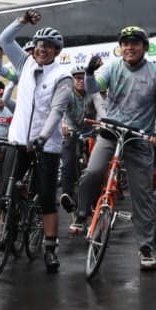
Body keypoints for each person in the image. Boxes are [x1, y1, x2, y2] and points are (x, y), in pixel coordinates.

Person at [74, 26, 156, 271]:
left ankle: (146, 247)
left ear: (144, 47)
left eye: (135, 43)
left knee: (142, 195)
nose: (129, 47)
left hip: (139, 137)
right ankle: (81, 214)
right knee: (93, 171)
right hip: (111, 130)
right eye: (125, 43)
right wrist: (89, 73)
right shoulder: (113, 68)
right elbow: (94, 88)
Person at [0, 10, 74, 272]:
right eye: (39, 45)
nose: (42, 50)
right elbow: (5, 39)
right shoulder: (25, 64)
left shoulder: (62, 76)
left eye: (48, 47)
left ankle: (50, 248)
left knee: (45, 198)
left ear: (56, 51)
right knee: (6, 192)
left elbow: (57, 110)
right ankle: (9, 230)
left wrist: (43, 136)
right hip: (18, 141)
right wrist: (22, 21)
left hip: (46, 145)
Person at [58, 67, 104, 214]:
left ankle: (96, 197)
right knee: (68, 160)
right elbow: (59, 111)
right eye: (77, 78)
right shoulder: (67, 94)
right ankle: (67, 194)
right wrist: (62, 124)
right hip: (72, 132)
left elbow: (101, 110)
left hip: (91, 132)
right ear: (72, 81)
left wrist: (102, 123)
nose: (80, 81)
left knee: (97, 165)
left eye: (83, 78)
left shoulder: (93, 93)